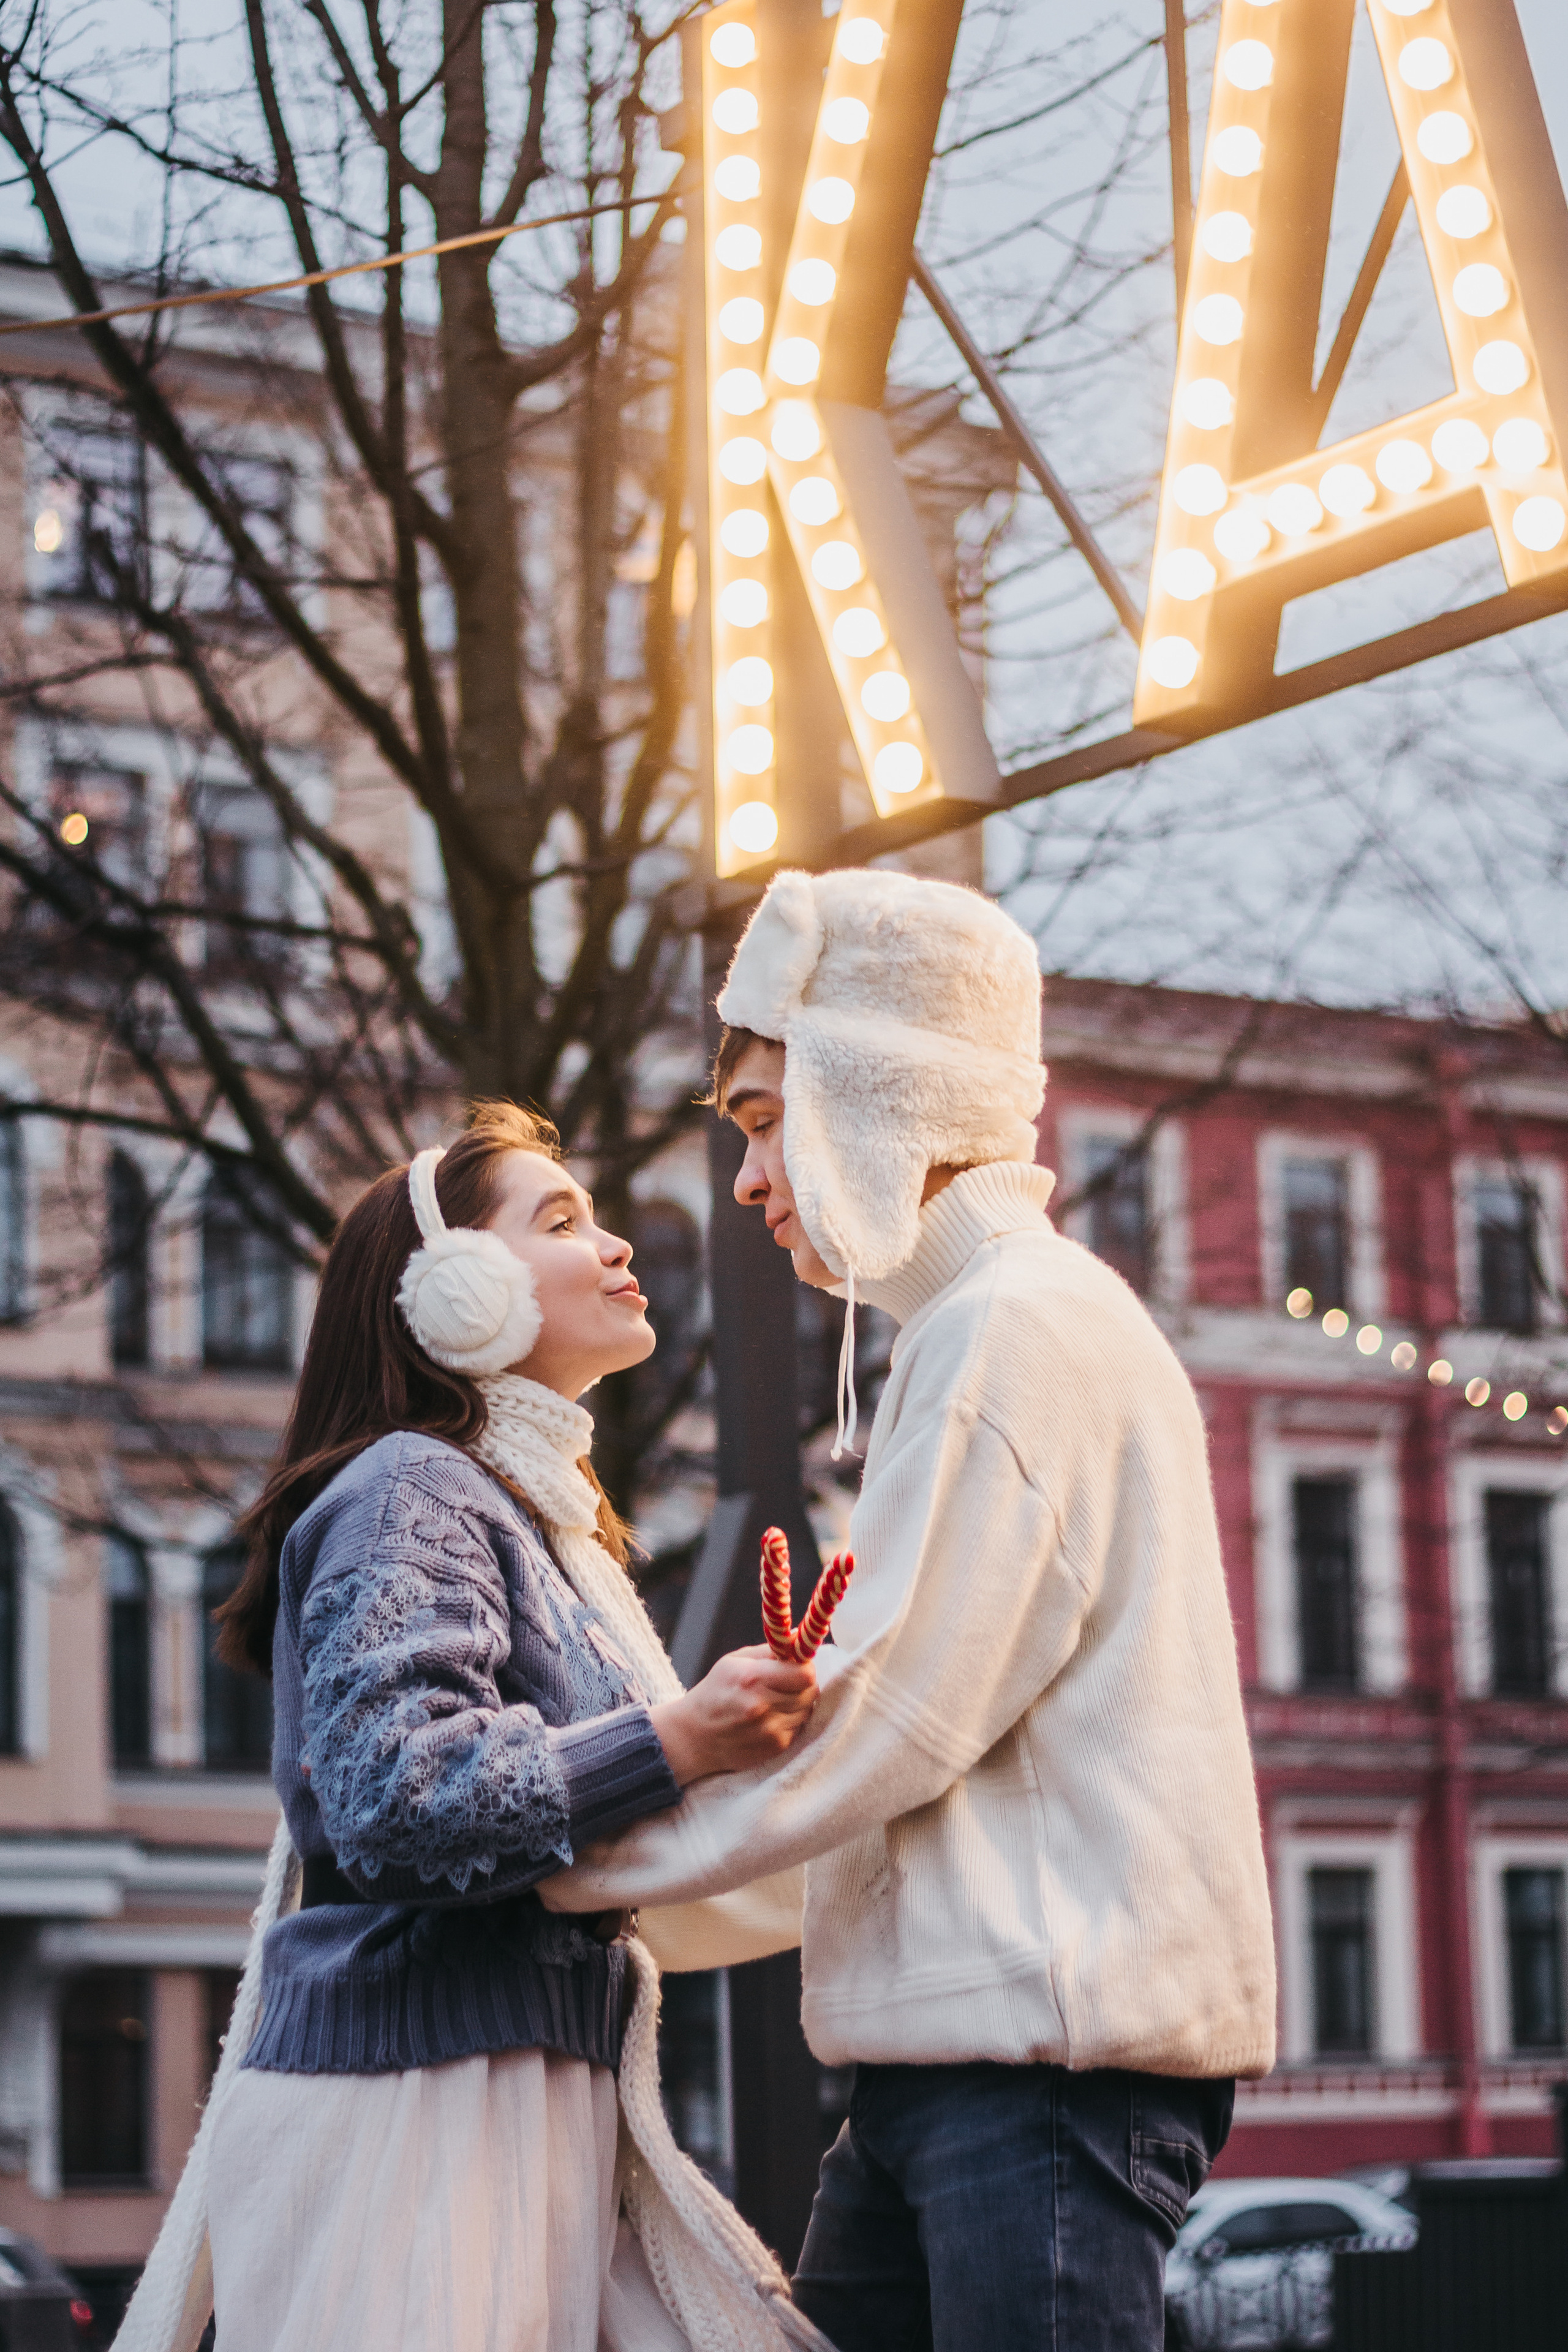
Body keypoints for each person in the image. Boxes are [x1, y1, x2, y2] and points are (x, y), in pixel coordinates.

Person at [541, 868, 1278, 2352]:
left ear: (878, 1093)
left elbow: (885, 1724)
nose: (744, 1181)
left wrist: (557, 1869)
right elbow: (896, 1760)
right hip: (968, 2068)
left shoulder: (1013, 1328)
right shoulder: (991, 1324)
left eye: (762, 1120)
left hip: (1031, 2078)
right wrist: (606, 1905)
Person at [112, 1101, 834, 2352]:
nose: (614, 1248)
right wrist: (677, 1741)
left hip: (508, 2095)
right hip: (417, 2108)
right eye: (560, 1220)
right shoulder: (413, 1484)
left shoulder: (532, 1516)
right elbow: (399, 1796)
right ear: (452, 1294)